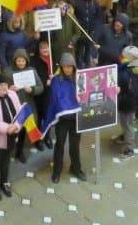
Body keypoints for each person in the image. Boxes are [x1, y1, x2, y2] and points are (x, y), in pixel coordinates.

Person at [44, 52, 85, 183]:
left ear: (74, 66)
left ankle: (76, 168)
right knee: (60, 145)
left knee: (75, 145)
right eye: (65, 66)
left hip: (76, 118)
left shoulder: (80, 78)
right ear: (61, 67)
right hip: (62, 120)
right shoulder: (56, 80)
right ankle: (57, 171)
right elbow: (56, 99)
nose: (67, 69)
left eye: (69, 66)